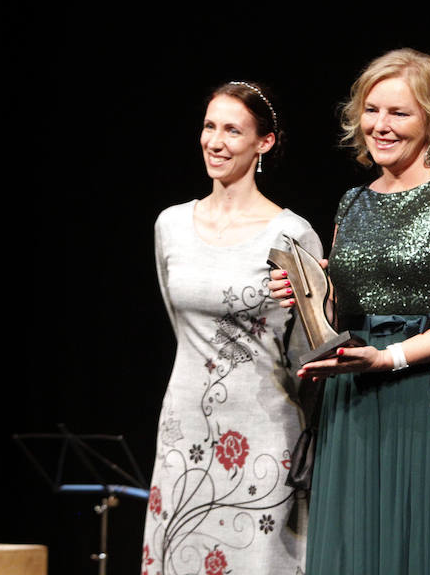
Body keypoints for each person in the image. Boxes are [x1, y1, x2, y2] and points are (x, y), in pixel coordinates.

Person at [272, 48, 430, 574]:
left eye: (399, 113)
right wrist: (311, 288)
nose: (380, 126)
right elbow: (343, 315)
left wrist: (393, 358)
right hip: (359, 402)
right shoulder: (353, 202)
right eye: (371, 110)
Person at [142, 81, 323, 575]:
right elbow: (180, 327)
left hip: (262, 434)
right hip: (184, 429)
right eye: (209, 126)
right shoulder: (171, 226)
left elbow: (310, 351)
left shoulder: (290, 231)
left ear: (263, 142)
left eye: (232, 130)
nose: (215, 141)